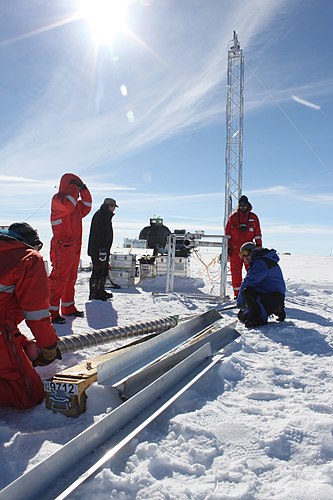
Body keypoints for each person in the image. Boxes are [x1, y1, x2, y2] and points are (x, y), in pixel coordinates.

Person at [0, 223, 61, 409]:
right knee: (27, 392)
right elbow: (37, 315)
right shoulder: (28, 258)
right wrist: (48, 346)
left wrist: (24, 346)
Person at [49, 173, 92, 324]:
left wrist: (83, 188)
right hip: (62, 246)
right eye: (73, 185)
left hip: (74, 246)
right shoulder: (58, 200)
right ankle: (51, 311)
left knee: (71, 278)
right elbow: (67, 205)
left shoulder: (75, 207)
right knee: (58, 278)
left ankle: (68, 307)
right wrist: (75, 187)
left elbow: (87, 206)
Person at [236, 242, 286, 328]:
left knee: (247, 291)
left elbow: (248, 282)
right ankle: (278, 310)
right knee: (242, 315)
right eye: (242, 255)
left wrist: (240, 301)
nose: (245, 257)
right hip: (275, 298)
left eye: (246, 253)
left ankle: (258, 319)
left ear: (253, 251)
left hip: (273, 298)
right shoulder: (262, 260)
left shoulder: (260, 263)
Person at [225, 195, 262, 298]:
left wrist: (259, 247)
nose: (243, 207)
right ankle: (237, 295)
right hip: (235, 251)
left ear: (247, 205)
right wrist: (227, 247)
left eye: (244, 205)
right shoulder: (233, 217)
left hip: (249, 252)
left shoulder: (253, 218)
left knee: (252, 273)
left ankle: (252, 294)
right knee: (235, 273)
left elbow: (258, 233)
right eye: (241, 205)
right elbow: (227, 234)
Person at [87, 198, 118, 300]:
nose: (114, 209)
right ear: (109, 206)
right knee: (98, 271)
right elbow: (98, 234)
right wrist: (101, 250)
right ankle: (95, 293)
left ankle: (100, 291)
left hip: (102, 250)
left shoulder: (104, 215)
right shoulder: (101, 216)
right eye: (113, 207)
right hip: (99, 250)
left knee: (103, 270)